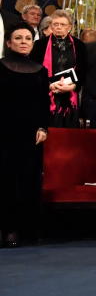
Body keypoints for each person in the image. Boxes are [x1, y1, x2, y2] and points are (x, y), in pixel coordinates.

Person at [0, 24, 49, 246]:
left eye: (28, 38)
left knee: (29, 180)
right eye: (18, 38)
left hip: (32, 135)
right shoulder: (0, 67)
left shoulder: (41, 70)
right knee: (6, 181)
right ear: (8, 42)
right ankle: (8, 229)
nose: (23, 42)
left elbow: (42, 104)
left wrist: (43, 127)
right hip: (4, 132)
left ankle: (28, 228)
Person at [31, 9, 87, 128]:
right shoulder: (40, 45)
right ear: (51, 26)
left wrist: (74, 86)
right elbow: (34, 70)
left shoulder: (79, 45)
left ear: (70, 27)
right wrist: (49, 85)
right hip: (46, 93)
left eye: (62, 24)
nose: (58, 27)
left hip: (71, 92)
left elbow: (84, 70)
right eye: (55, 24)